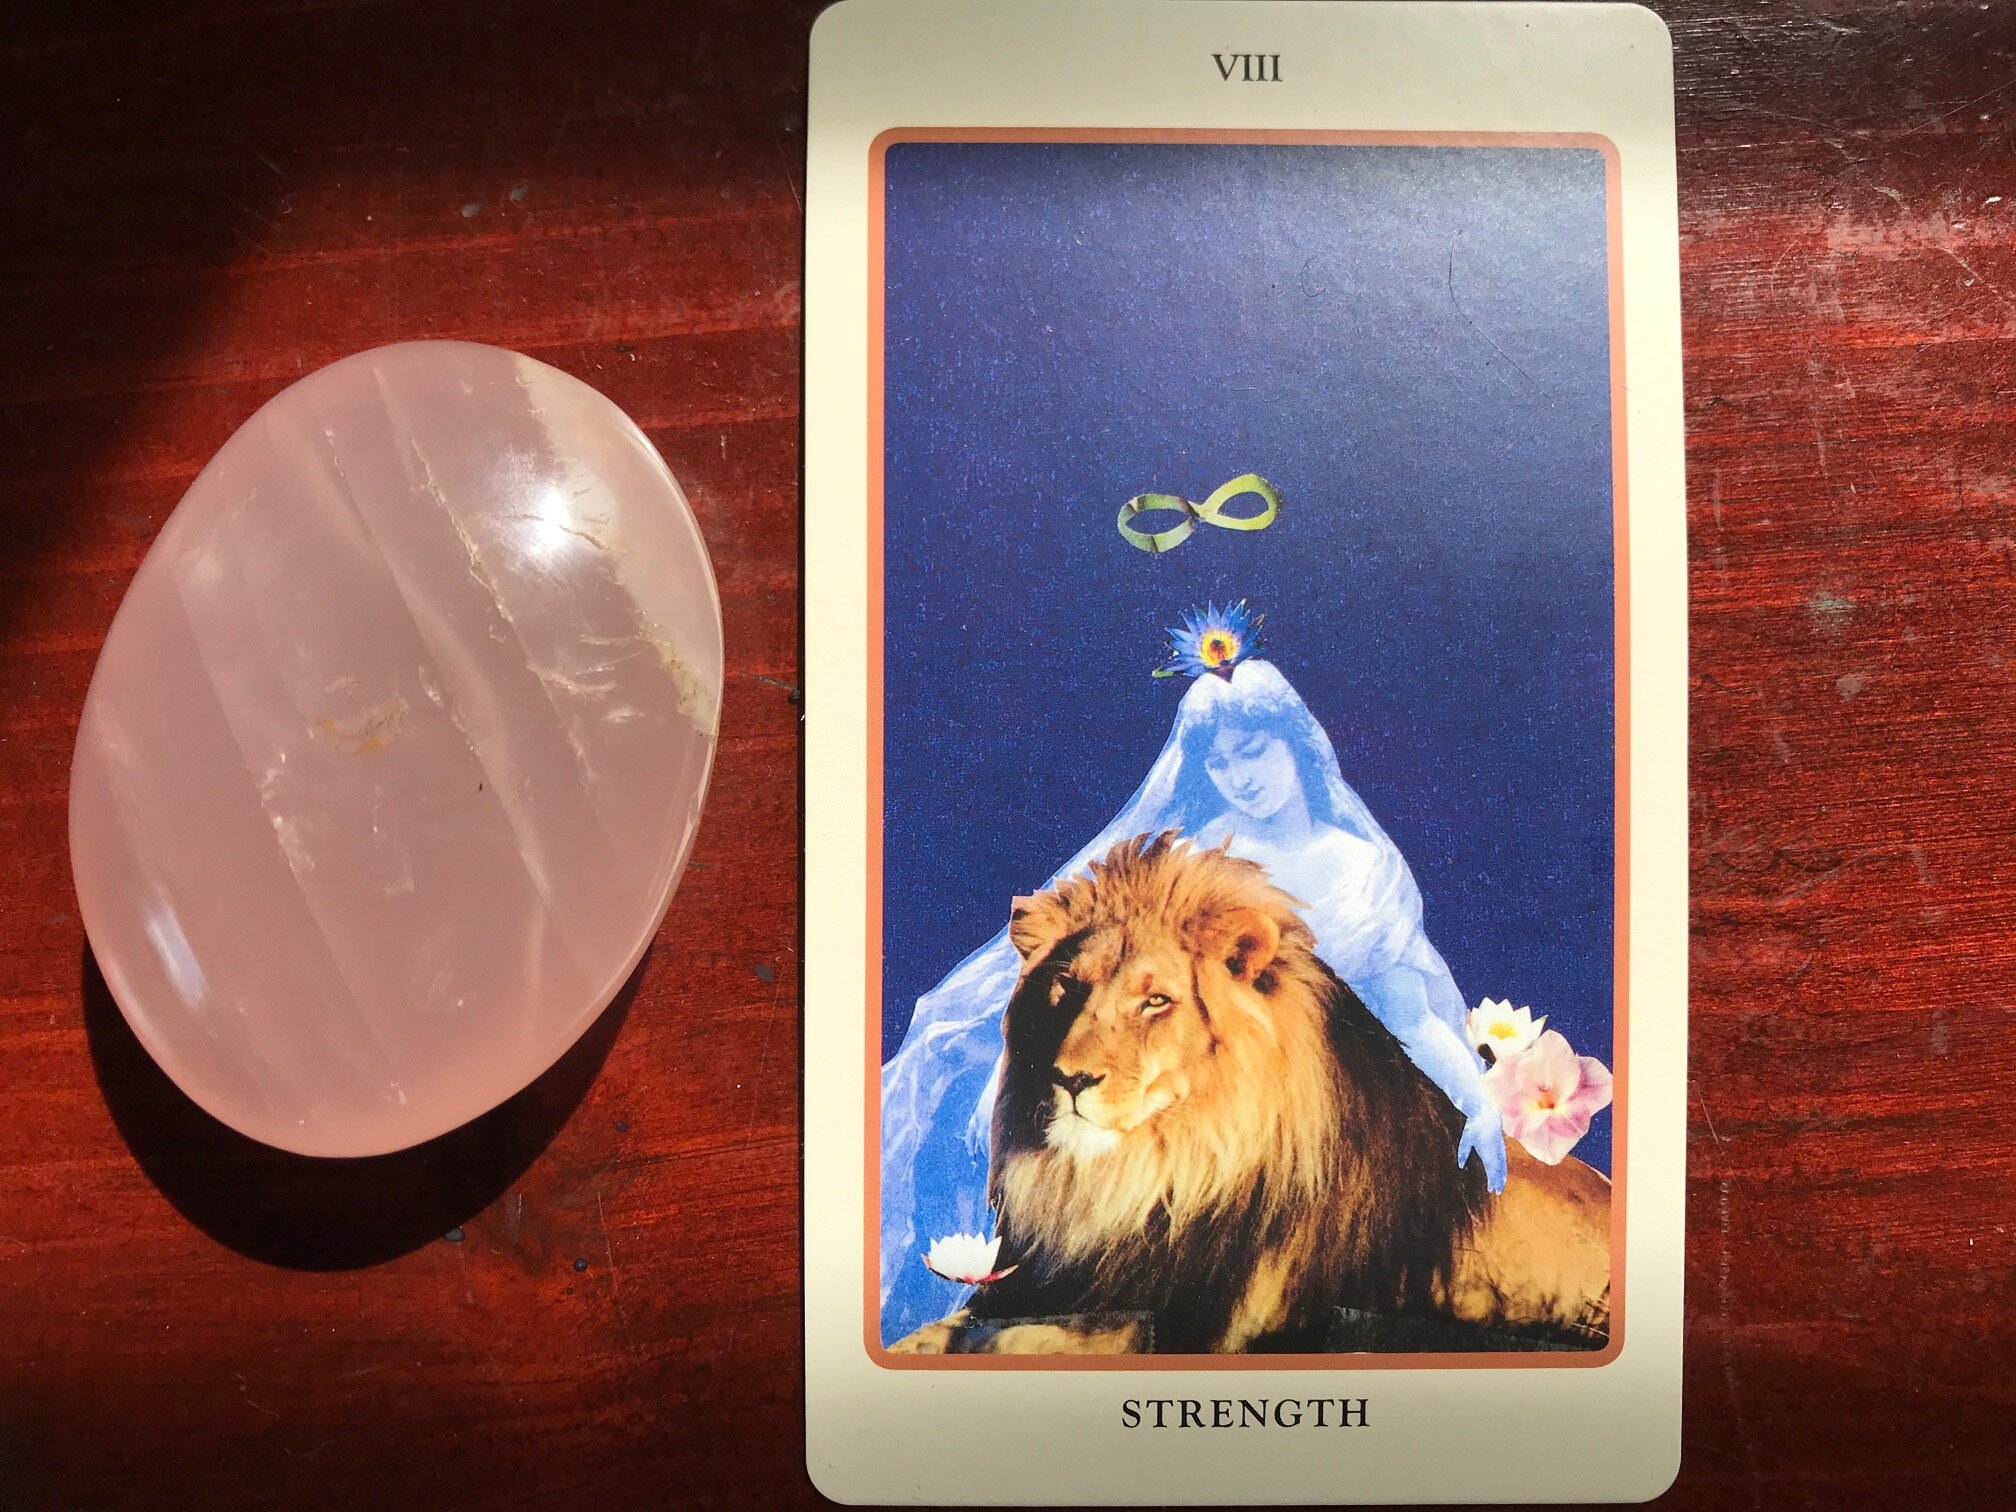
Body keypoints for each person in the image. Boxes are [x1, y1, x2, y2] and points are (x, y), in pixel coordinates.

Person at [876, 652, 1505, 1346]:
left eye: (1256, 755)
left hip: (1323, 1076)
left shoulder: (1360, 863)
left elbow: (1406, 1005)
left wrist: (1475, 1099)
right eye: (1221, 765)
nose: (1242, 778)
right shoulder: (1195, 855)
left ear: (1300, 752)